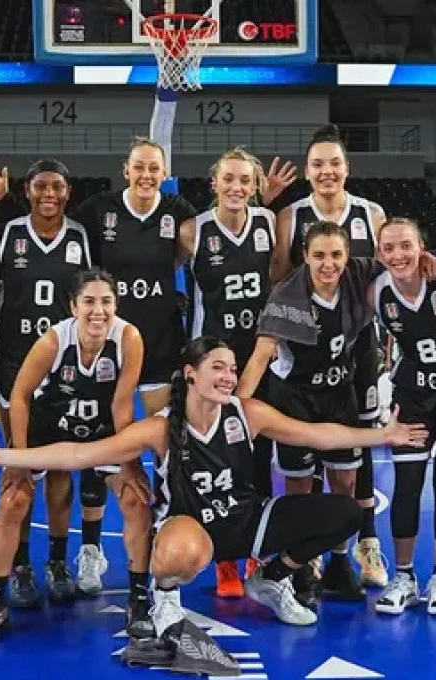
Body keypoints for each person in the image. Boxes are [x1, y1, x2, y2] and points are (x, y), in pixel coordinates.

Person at [0, 337, 428, 636]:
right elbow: (79, 454)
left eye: (233, 368)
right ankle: (167, 595)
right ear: (191, 374)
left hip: (248, 524)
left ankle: (271, 578)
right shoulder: (162, 427)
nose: (229, 376)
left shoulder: (247, 414)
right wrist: (3, 456)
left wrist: (381, 436)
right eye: (218, 367)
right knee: (179, 549)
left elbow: (318, 434)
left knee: (346, 513)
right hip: (191, 531)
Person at [0, 269, 155, 641]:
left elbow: (122, 405)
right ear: (73, 306)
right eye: (89, 301)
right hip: (50, 425)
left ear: (116, 305)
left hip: (102, 429)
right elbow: (20, 396)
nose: (98, 310)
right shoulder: (54, 341)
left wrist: (130, 463)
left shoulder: (129, 338)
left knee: (135, 500)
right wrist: (17, 458)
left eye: (106, 301)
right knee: (13, 500)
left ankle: (138, 598)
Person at [237, 221, 384, 606]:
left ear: (348, 256)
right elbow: (260, 357)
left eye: (336, 255)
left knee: (345, 483)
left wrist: (433, 261)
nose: (328, 263)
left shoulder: (359, 275)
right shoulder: (287, 296)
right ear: (304, 256)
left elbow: (403, 261)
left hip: (339, 394)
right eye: (319, 255)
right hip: (296, 398)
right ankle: (301, 564)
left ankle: (339, 562)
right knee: (299, 488)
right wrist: (234, 412)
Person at [275, 124, 389, 589]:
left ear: (347, 168)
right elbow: (278, 279)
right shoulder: (289, 216)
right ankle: (310, 553)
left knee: (356, 450)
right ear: (307, 171)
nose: (327, 171)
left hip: (359, 346)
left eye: (334, 163)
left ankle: (364, 543)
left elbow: (390, 274)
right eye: (318, 164)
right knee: (304, 461)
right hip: (308, 347)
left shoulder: (371, 214)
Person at [0, 158, 94, 605]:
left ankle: (57, 560)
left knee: (62, 470)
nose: (50, 194)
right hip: (15, 365)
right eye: (41, 186)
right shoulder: (9, 232)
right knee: (21, 466)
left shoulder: (81, 237)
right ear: (27, 190)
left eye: (58, 187)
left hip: (66, 367)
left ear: (68, 193)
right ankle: (21, 564)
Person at [181, 147, 282, 598]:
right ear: (215, 183)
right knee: (218, 459)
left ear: (256, 186)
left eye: (245, 180)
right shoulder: (193, 230)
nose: (237, 187)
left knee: (258, 456)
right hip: (212, 360)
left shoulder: (269, 223)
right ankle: (224, 557)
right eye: (229, 179)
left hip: (258, 357)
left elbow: (279, 278)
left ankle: (256, 550)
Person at [369, 217, 436, 617]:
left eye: (406, 246)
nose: (398, 255)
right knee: (408, 483)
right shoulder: (376, 292)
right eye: (389, 248)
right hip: (413, 394)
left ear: (421, 247)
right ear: (379, 253)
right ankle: (404, 577)